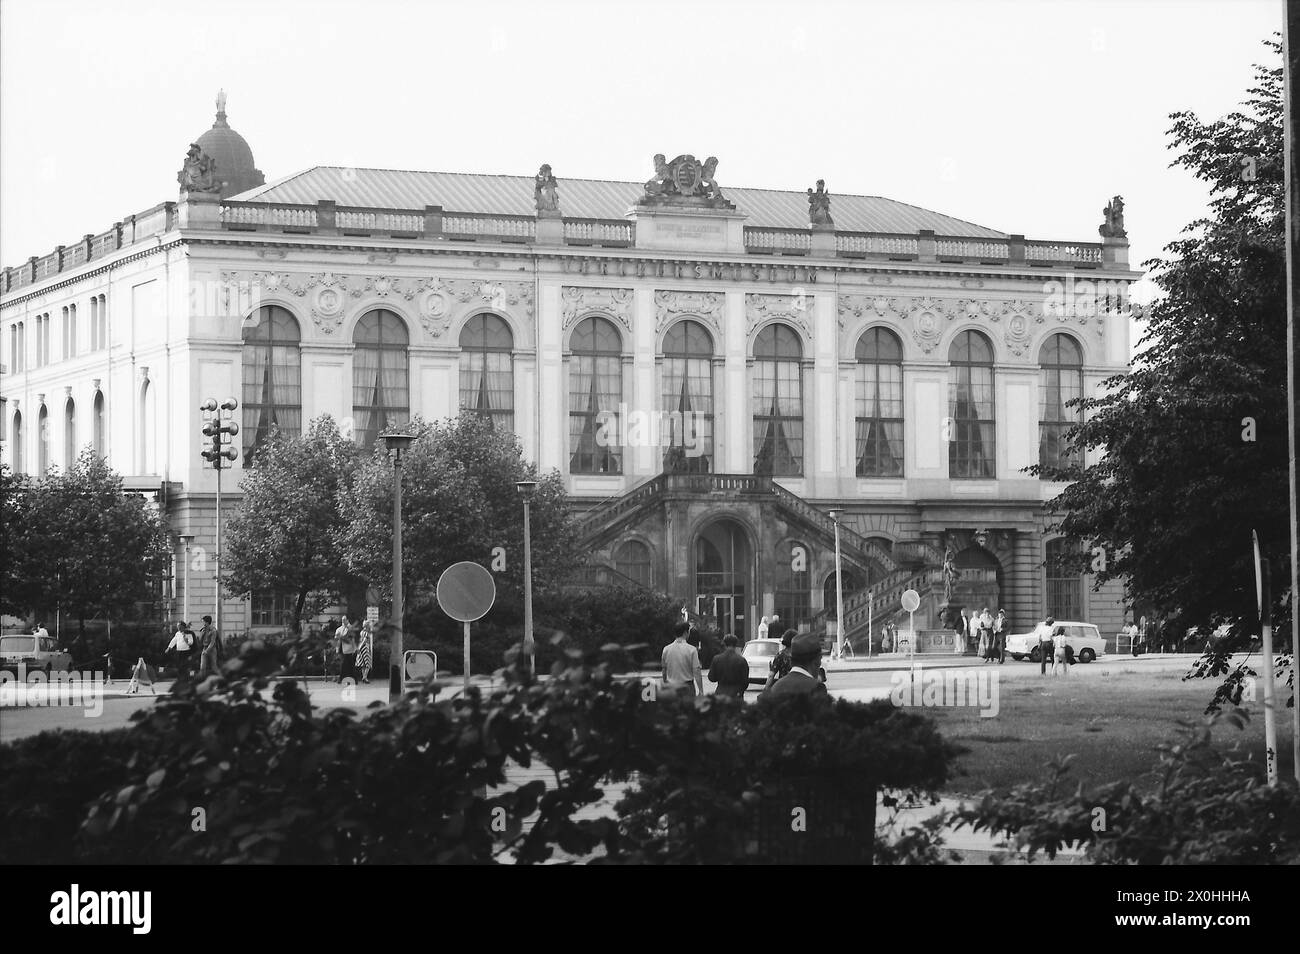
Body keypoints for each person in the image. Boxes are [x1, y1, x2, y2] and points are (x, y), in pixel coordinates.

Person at [763, 633, 828, 699]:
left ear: (791, 661)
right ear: (816, 661)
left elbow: (771, 675)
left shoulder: (776, 687)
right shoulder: (816, 688)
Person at [661, 620, 703, 696]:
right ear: (685, 633)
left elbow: (664, 670)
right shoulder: (692, 650)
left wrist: (665, 683)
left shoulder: (666, 649)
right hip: (687, 687)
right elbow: (696, 671)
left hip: (672, 686)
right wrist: (700, 690)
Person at [708, 634, 749, 698]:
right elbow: (745, 682)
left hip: (720, 692)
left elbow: (711, 678)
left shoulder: (716, 659)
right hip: (736, 693)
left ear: (724, 644)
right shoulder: (741, 660)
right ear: (736, 644)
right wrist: (741, 691)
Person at [336, 616, 358, 683]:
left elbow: (352, 639)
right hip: (342, 649)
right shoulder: (339, 628)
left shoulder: (350, 628)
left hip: (348, 649)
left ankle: (343, 679)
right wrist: (337, 649)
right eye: (342, 620)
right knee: (347, 665)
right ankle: (351, 679)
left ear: (347, 620)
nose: (343, 621)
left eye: (344, 620)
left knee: (346, 665)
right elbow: (337, 638)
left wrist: (355, 649)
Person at [356, 620, 375, 684]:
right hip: (365, 648)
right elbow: (364, 640)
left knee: (363, 664)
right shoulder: (367, 633)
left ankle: (364, 677)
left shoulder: (361, 632)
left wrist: (359, 647)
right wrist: (360, 647)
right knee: (368, 664)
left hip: (361, 649)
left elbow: (360, 640)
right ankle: (364, 677)